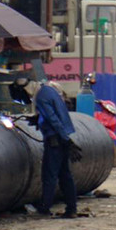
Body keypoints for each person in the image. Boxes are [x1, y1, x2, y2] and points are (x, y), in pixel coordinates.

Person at [33, 79, 78, 218]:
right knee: (65, 174)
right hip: (62, 138)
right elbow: (54, 116)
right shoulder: (51, 92)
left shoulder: (41, 95)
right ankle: (72, 208)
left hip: (55, 140)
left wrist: (65, 139)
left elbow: (52, 119)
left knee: (49, 174)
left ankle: (45, 207)